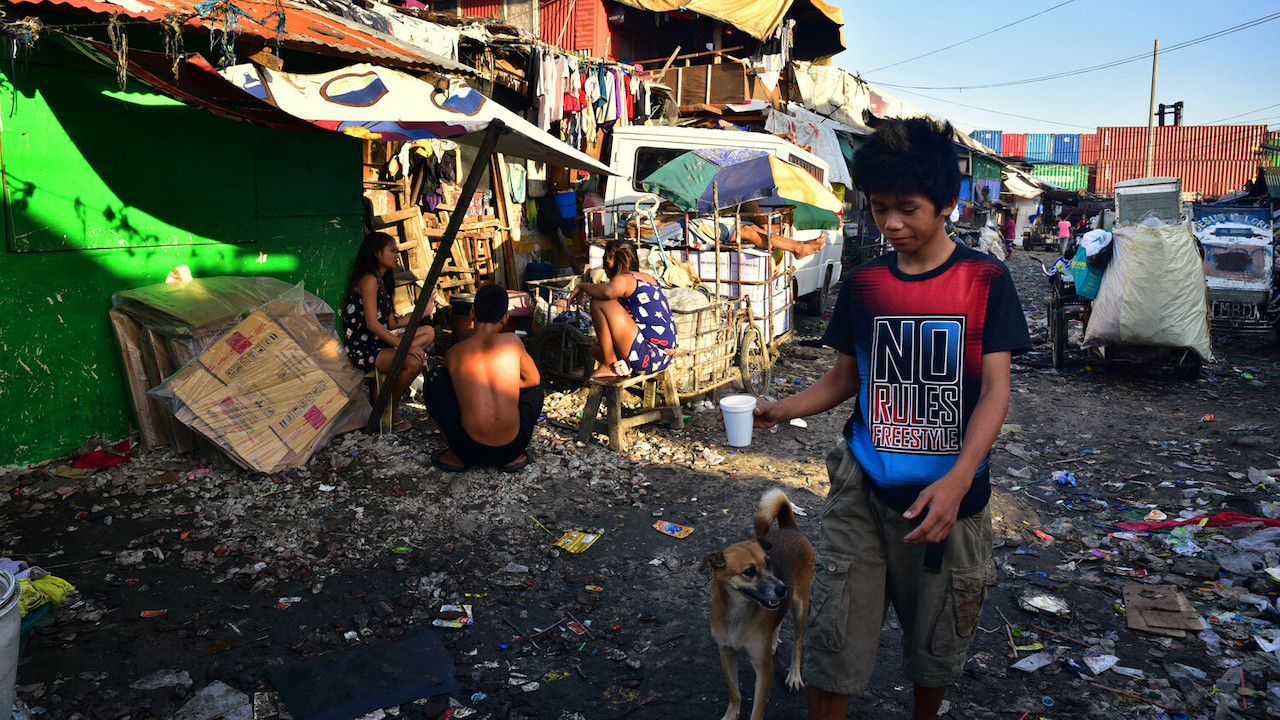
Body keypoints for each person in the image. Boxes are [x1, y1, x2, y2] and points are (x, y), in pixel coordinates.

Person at [751, 117, 1031, 720]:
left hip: (948, 499)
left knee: (935, 640)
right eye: (879, 209)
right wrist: (785, 407)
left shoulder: (985, 281)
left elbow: (995, 392)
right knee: (834, 632)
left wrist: (957, 482)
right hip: (863, 486)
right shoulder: (866, 282)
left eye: (907, 208)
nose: (892, 224)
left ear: (948, 204)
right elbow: (845, 379)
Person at [423, 284, 542, 472]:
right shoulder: (513, 342)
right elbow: (534, 381)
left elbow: (450, 386)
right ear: (505, 318)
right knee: (535, 391)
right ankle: (513, 459)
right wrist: (508, 385)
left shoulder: (454, 353)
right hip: (512, 448)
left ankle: (454, 454)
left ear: (472, 314)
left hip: (467, 449)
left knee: (434, 378)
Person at [342, 232, 435, 432]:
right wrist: (405, 346)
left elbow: (392, 322)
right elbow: (372, 324)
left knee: (428, 332)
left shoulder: (382, 281)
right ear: (376, 253)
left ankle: (390, 396)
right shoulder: (369, 280)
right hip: (365, 349)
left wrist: (422, 312)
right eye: (392, 251)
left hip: (379, 343)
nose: (396, 256)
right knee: (414, 361)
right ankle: (388, 408)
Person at [569, 238, 678, 380]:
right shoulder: (647, 278)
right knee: (595, 349)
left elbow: (607, 293)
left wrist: (582, 286)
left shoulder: (624, 279)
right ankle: (623, 365)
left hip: (650, 355)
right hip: (663, 357)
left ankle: (609, 366)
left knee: (599, 301)